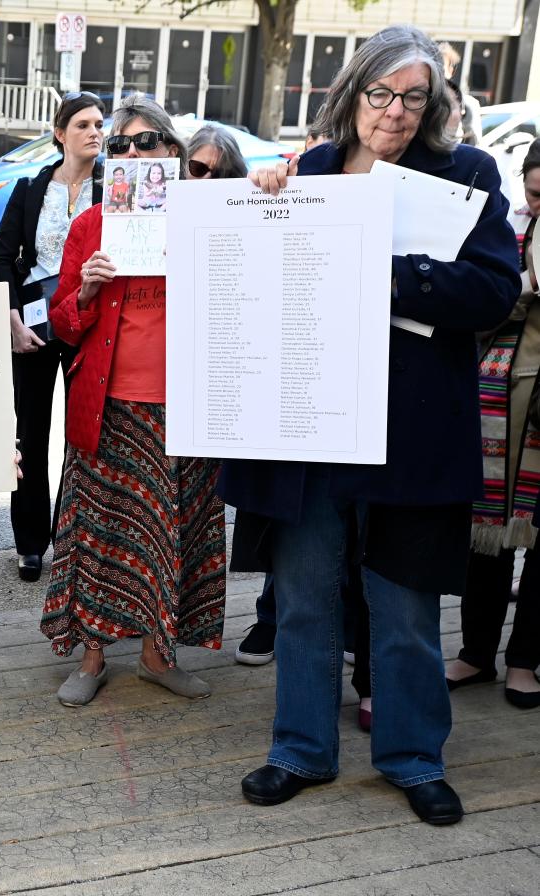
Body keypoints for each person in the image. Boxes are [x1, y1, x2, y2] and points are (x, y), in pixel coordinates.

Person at [221, 25, 518, 825]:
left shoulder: (466, 173)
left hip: (411, 431)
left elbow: (493, 291)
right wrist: (259, 204)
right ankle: (300, 749)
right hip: (309, 427)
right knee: (306, 598)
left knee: (407, 608)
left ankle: (415, 757)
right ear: (353, 91)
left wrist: (391, 279)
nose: (394, 112)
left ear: (433, 105)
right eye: (382, 93)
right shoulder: (307, 170)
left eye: (413, 97)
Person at [41, 94, 225, 707]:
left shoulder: (205, 215)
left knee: (174, 530)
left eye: (148, 142)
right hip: (111, 402)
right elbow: (63, 325)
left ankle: (156, 654)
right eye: (121, 145)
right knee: (102, 532)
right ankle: (92, 655)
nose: (134, 153)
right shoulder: (92, 225)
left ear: (172, 151)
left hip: (187, 406)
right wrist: (89, 290)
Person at [0, 91, 105, 583]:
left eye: (100, 124)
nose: (95, 132)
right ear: (60, 134)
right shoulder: (29, 189)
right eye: (82, 124)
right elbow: (0, 260)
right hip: (33, 326)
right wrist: (11, 319)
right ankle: (30, 542)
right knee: (30, 436)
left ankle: (71, 537)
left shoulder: (114, 188)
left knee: (82, 438)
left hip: (89, 323)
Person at [445, 137, 540, 710]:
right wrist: (519, 294)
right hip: (495, 393)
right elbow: (475, 302)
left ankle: (526, 659)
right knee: (483, 534)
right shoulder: (509, 230)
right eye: (535, 193)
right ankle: (477, 651)